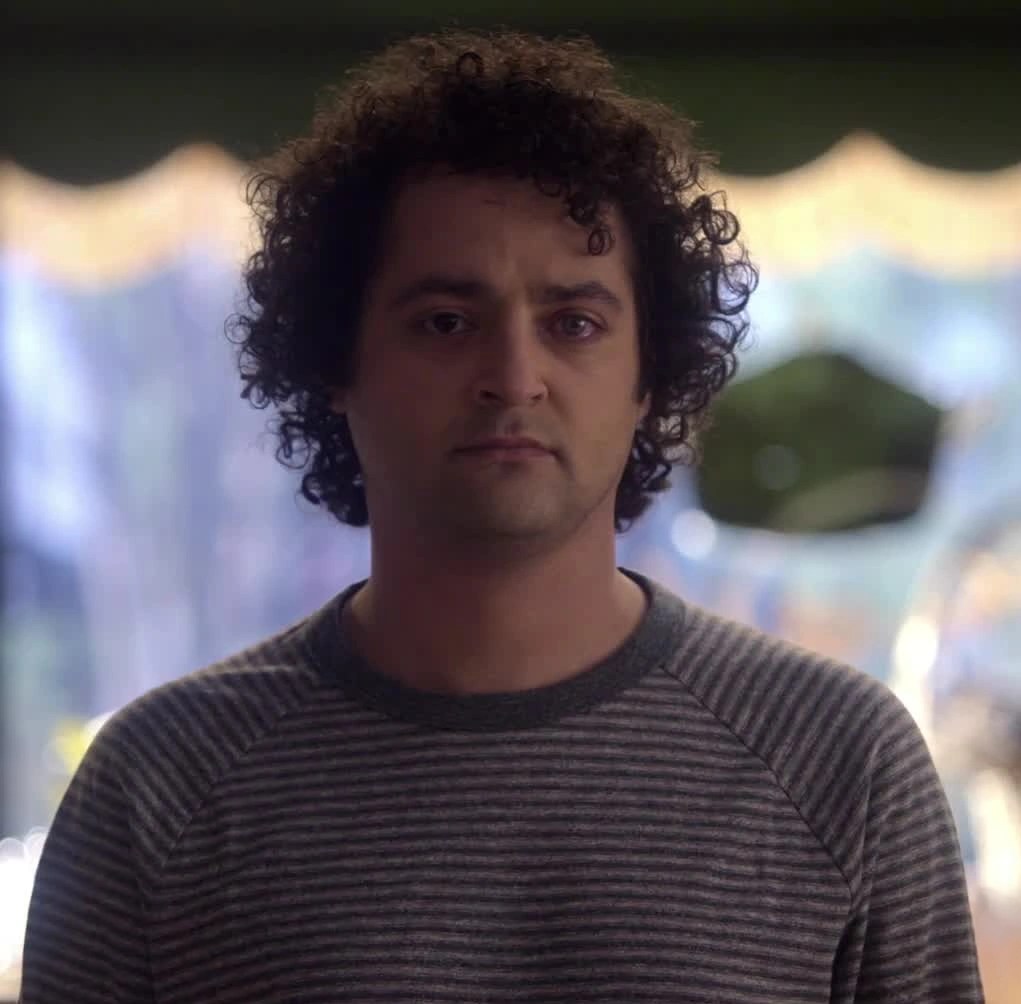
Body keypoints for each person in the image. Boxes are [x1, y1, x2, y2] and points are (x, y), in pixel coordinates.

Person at [20, 28, 984, 1004]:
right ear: (336, 361)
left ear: (648, 376)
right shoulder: (161, 782)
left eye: (574, 323)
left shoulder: (840, 759)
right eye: (445, 321)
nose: (514, 377)